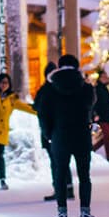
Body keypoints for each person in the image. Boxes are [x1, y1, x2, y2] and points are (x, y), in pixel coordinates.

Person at [38, 54, 96, 217]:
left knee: (60, 172)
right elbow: (90, 105)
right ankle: (85, 212)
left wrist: (48, 133)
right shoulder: (85, 87)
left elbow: (43, 113)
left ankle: (62, 212)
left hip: (60, 135)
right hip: (81, 134)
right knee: (84, 174)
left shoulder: (49, 88)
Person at [33, 62, 72, 201]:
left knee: (56, 162)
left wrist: (46, 132)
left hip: (52, 131)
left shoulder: (46, 90)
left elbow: (39, 108)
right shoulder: (62, 87)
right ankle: (67, 188)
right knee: (62, 161)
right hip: (63, 130)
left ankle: (60, 189)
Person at [91, 71, 109, 163]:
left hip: (107, 115)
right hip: (102, 116)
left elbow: (108, 104)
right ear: (100, 78)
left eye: (106, 76)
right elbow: (96, 103)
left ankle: (92, 150)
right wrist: (96, 114)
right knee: (106, 137)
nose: (106, 78)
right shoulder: (97, 88)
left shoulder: (104, 88)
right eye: (104, 76)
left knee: (106, 137)